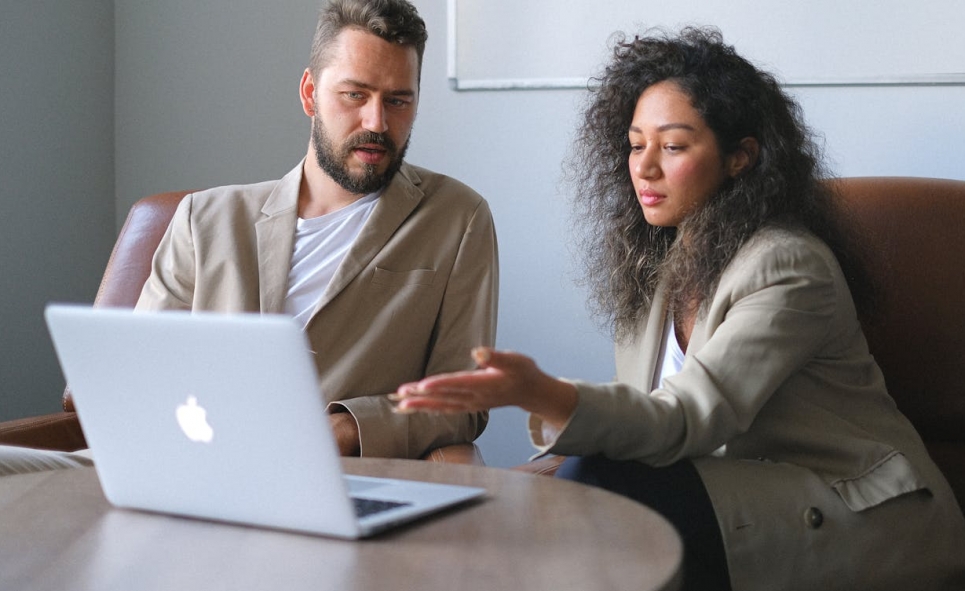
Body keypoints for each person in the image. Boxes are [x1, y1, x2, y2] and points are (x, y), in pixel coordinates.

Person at [392, 28, 965, 591]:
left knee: (600, 486)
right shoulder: (658, 265)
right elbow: (637, 424)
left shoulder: (788, 267)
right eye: (636, 144)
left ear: (740, 158)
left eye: (672, 146)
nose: (644, 167)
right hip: (736, 495)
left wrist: (539, 392)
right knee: (543, 502)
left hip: (859, 514)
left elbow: (685, 419)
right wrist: (504, 486)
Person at [0, 0, 497, 475]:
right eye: (354, 95)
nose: (377, 122)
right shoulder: (206, 217)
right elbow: (142, 373)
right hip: (160, 457)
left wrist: (346, 430)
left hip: (319, 475)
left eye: (398, 100)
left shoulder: (456, 218)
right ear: (309, 94)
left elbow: (465, 400)